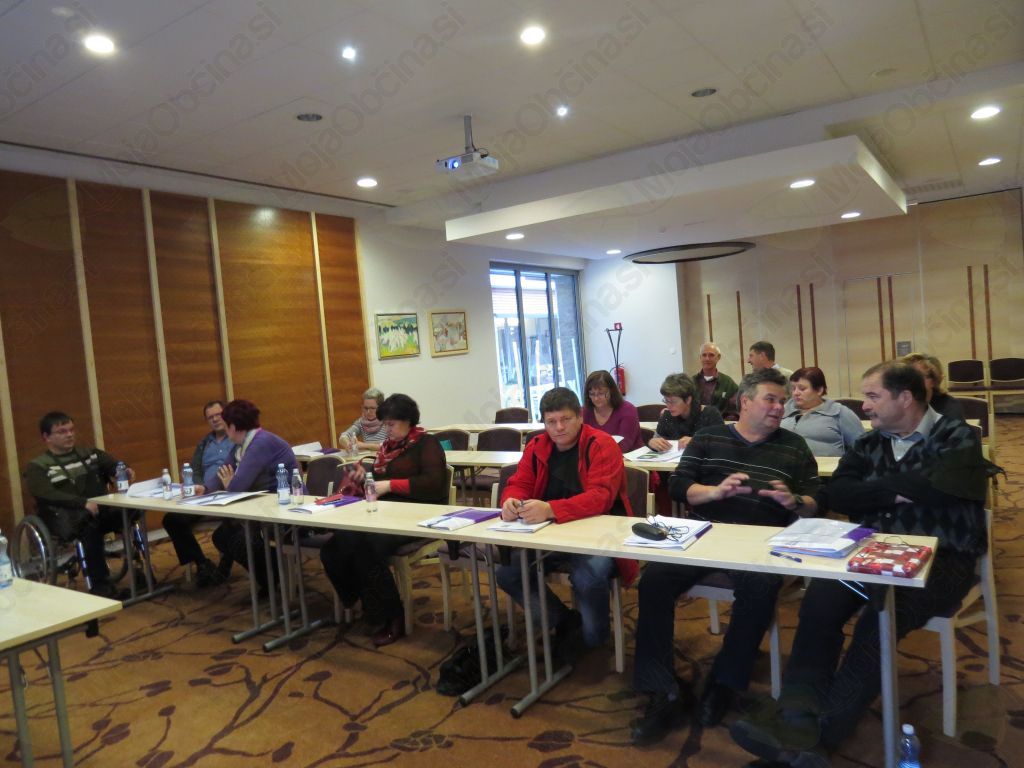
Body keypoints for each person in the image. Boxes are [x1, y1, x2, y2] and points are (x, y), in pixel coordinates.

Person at [731, 361, 991, 766]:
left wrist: (875, 490)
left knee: (879, 619)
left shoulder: (957, 436)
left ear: (905, 398)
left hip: (942, 559)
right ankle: (797, 713)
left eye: (873, 396)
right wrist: (903, 491)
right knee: (819, 602)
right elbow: (841, 495)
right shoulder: (869, 443)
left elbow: (940, 489)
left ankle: (822, 736)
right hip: (868, 552)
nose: (864, 406)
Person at [631, 369, 820, 745]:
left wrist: (796, 501)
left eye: (782, 401)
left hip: (760, 540)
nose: (779, 407)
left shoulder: (794, 446)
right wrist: (714, 492)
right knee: (653, 580)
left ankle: (724, 682)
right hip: (704, 533)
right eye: (770, 399)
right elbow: (679, 486)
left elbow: (818, 500)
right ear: (744, 402)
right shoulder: (709, 437)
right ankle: (661, 690)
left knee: (760, 589)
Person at [496, 387, 639, 665]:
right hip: (548, 534)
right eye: (551, 422)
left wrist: (551, 509)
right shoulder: (537, 446)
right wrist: (510, 500)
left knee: (588, 576)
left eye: (565, 419)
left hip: (600, 534)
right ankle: (563, 620)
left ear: (580, 417)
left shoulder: (601, 444)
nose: (558, 428)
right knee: (508, 572)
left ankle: (595, 636)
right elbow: (519, 483)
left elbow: (600, 497)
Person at [320, 394, 448, 647]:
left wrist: (389, 485)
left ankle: (393, 616)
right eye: (385, 424)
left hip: (419, 514)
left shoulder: (427, 444)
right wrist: (363, 478)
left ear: (408, 420)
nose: (386, 429)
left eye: (391, 424)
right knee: (335, 545)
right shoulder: (387, 449)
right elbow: (377, 483)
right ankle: (364, 601)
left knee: (367, 548)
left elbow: (434, 485)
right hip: (385, 513)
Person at [24, 411, 137, 598]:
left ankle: (140, 571)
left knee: (133, 510)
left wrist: (122, 470)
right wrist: (82, 503)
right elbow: (45, 494)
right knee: (89, 528)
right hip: (66, 517)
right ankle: (101, 585)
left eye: (71, 430)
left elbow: (112, 464)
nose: (69, 435)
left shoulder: (90, 454)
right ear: (46, 437)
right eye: (62, 432)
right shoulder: (38, 466)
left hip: (99, 510)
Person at [201, 399, 298, 593]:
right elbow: (223, 473)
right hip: (262, 507)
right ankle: (270, 578)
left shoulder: (260, 443)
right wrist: (203, 488)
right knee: (223, 536)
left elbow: (236, 487)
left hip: (284, 509)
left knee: (236, 539)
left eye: (226, 426)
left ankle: (276, 576)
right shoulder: (241, 445)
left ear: (233, 427)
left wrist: (230, 484)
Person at [161, 400, 236, 587]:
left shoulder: (236, 438)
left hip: (230, 494)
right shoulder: (204, 443)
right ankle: (201, 562)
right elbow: (194, 470)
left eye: (218, 415)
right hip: (204, 495)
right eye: (210, 417)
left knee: (233, 524)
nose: (215, 420)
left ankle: (224, 567)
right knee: (172, 519)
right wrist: (197, 486)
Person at [780, 367, 864, 456]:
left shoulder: (839, 412)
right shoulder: (781, 410)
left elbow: (862, 447)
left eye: (802, 389)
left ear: (819, 390)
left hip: (826, 464)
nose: (796, 393)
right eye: (793, 388)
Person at [649, 373, 724, 451]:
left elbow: (724, 444)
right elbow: (656, 439)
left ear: (688, 400)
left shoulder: (710, 414)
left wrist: (699, 442)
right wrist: (652, 442)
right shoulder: (667, 415)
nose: (668, 406)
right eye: (666, 400)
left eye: (673, 402)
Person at [581, 370, 643, 452]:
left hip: (629, 457)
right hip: (597, 455)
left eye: (601, 393)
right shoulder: (585, 411)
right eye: (592, 394)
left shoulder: (628, 410)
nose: (596, 398)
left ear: (611, 391)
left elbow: (624, 446)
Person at [901, 352, 965, 422]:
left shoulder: (949, 407)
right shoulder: (899, 403)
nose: (912, 382)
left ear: (933, 380)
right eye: (907, 376)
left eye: (919, 376)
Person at [693, 342, 739, 418]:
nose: (707, 358)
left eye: (711, 355)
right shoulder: (691, 382)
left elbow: (734, 410)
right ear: (700, 357)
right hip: (695, 424)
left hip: (721, 423)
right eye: (704, 355)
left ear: (718, 357)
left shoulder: (728, 383)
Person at [340, 387, 388, 452]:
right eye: (366, 408)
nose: (368, 412)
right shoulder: (361, 422)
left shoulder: (388, 422)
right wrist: (348, 444)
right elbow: (343, 436)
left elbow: (389, 446)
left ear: (381, 408)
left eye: (372, 408)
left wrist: (364, 445)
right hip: (369, 457)